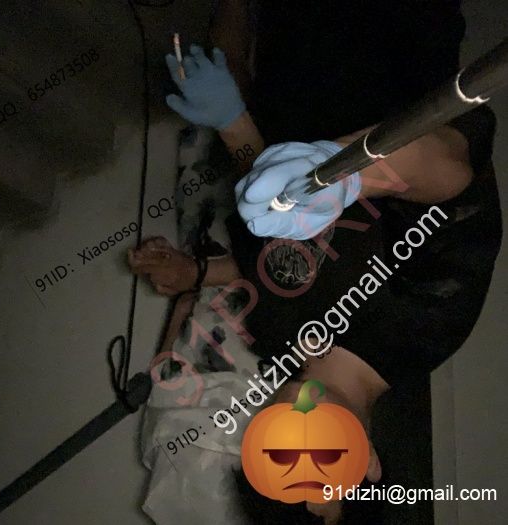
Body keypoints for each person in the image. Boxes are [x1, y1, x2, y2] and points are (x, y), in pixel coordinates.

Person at [129, 1, 502, 523]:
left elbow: (268, 230)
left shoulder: (275, 344)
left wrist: (232, 121)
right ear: (368, 464)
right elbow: (453, 163)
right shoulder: (428, 330)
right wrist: (350, 174)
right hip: (396, 47)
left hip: (292, 60)